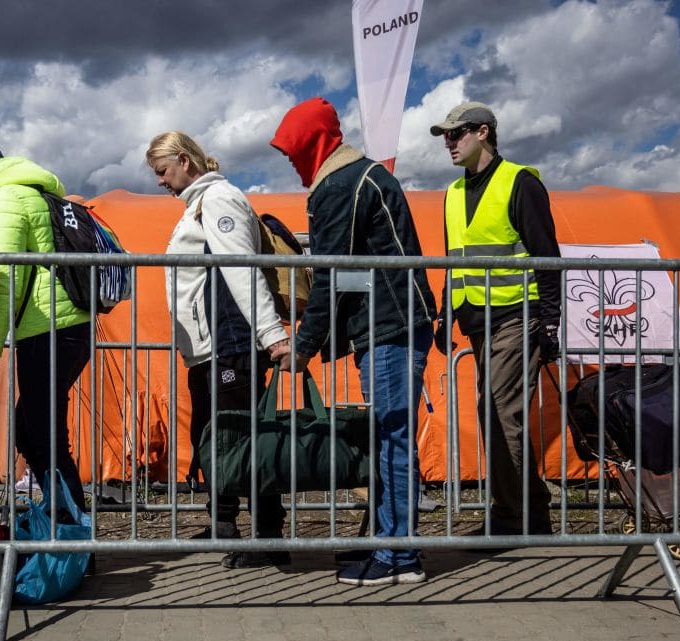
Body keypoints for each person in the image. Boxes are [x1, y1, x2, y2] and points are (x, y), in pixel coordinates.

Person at [270, 97, 437, 585]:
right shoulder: (355, 176)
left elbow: (331, 274)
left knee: (391, 438)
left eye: (291, 150)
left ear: (312, 143)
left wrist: (302, 346)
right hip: (394, 321)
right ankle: (389, 543)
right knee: (389, 437)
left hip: (389, 325)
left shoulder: (340, 184)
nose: (290, 161)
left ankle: (398, 557)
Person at [145, 131, 292, 569]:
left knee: (245, 442)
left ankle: (268, 537)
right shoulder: (199, 204)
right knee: (217, 440)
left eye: (162, 171)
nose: (159, 181)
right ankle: (225, 524)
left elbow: (242, 270)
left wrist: (271, 334)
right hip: (211, 347)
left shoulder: (219, 200)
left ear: (185, 161)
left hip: (232, 342)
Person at [430, 101, 560, 536]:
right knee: (498, 413)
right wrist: (445, 315)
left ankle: (511, 518)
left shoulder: (518, 182)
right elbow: (456, 260)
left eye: (456, 133)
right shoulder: (451, 194)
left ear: (483, 132)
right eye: (446, 135)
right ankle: (531, 512)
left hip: (518, 317)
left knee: (499, 411)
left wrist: (551, 318)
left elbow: (546, 255)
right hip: (478, 322)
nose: (449, 142)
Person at [0, 114, 91, 512]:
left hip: (45, 331)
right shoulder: (40, 192)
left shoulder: (7, 198)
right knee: (32, 431)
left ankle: (71, 533)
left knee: (43, 435)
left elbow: (5, 281)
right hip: (68, 328)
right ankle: (61, 516)